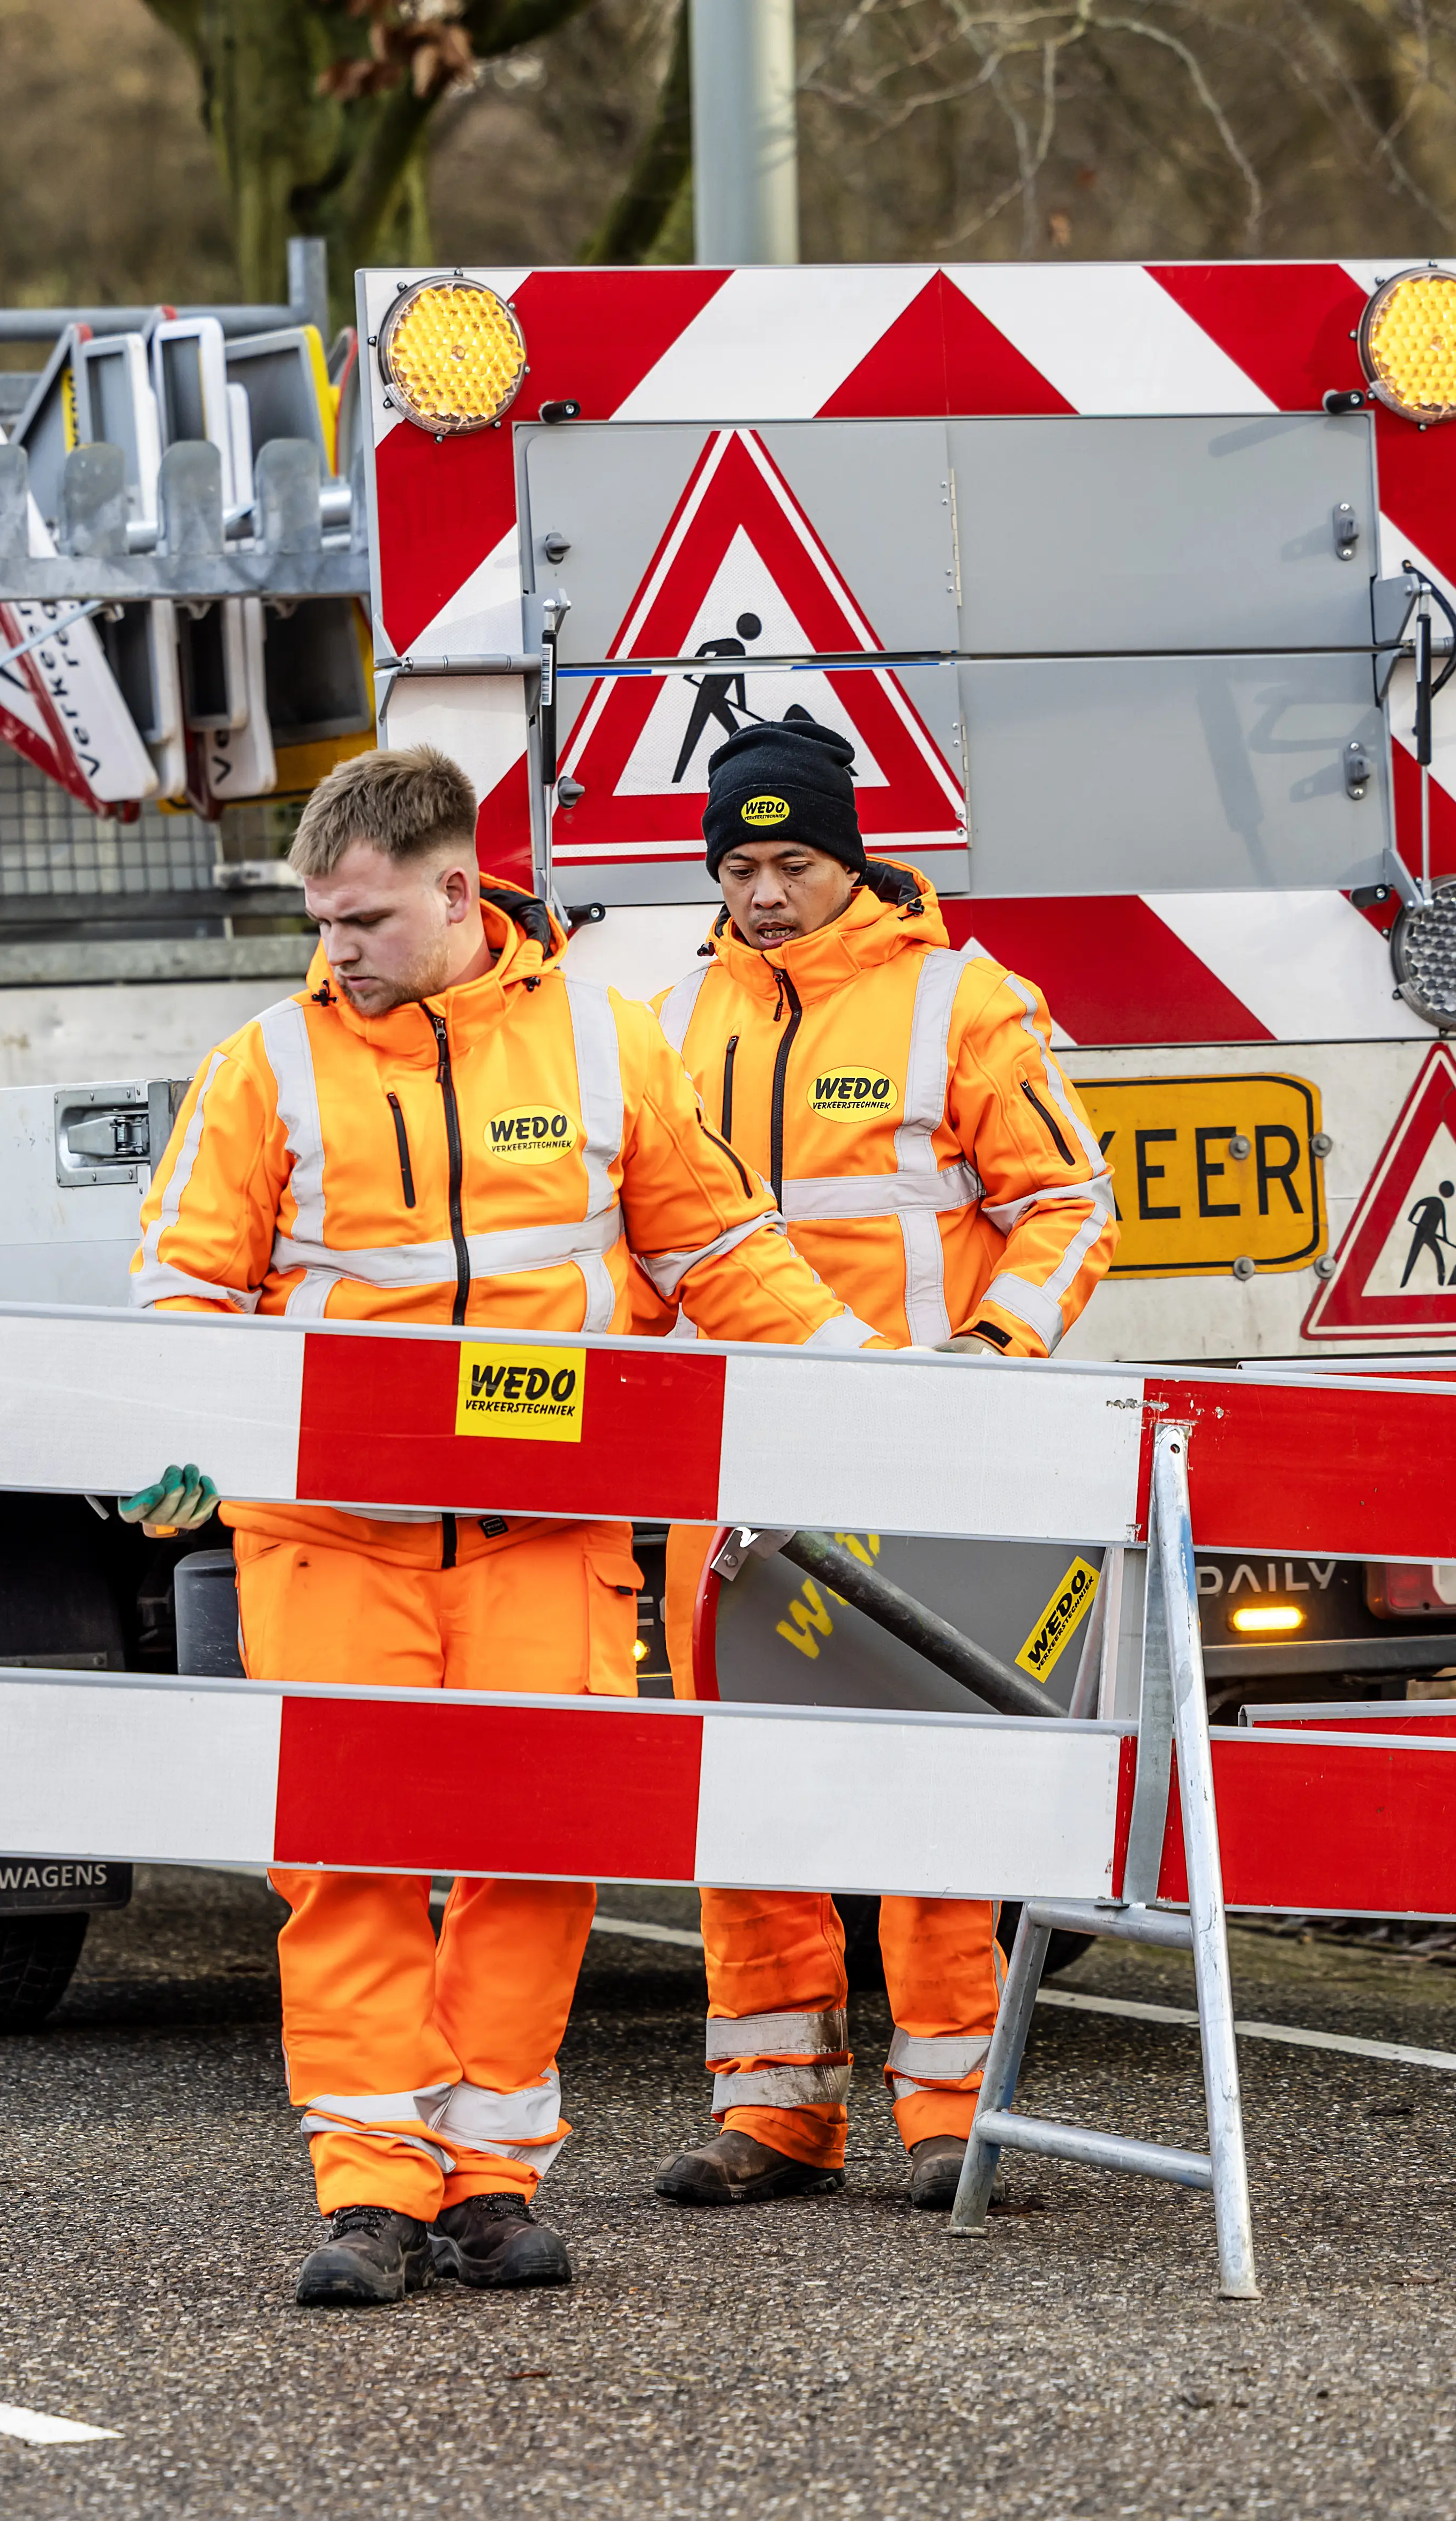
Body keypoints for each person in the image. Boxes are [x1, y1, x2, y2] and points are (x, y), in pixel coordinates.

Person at [119, 743, 878, 2308]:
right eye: (321, 922)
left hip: (549, 1533)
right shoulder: (263, 1064)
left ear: (459, 890)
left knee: (537, 1854)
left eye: (364, 920)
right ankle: (370, 2188)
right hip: (330, 1533)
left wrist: (865, 1400)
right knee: (349, 1861)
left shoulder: (604, 1046)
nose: (335, 952)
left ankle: (489, 2179)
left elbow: (717, 1246)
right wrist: (160, 1434)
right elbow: (182, 1289)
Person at [644, 715, 1117, 2215]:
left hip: (918, 1461)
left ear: (846, 859)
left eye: (789, 862)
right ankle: (771, 2115)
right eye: (737, 864)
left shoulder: (964, 1003)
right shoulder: (672, 1019)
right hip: (732, 1463)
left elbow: (1072, 1203)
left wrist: (994, 1352)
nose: (762, 892)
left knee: (929, 1788)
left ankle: (951, 2114)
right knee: (748, 1789)